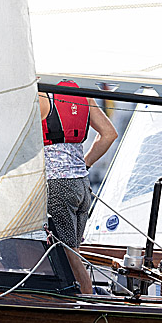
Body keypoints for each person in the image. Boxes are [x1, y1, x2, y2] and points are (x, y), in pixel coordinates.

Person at [40, 82, 118, 294]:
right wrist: (86, 164)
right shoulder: (82, 96)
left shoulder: (42, 97)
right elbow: (109, 134)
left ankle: (87, 297)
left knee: (67, 250)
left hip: (58, 183)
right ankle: (77, 294)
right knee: (73, 247)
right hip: (82, 184)